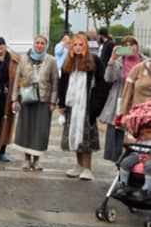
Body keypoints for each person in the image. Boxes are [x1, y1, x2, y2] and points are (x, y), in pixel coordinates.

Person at [58, 34, 108, 181]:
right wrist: (61, 104)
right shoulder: (68, 63)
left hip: (87, 106)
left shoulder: (94, 62)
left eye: (81, 44)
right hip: (72, 105)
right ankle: (78, 165)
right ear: (71, 47)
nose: (78, 47)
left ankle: (87, 168)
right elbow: (62, 84)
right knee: (74, 136)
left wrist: (97, 104)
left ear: (85, 46)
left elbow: (102, 83)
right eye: (75, 45)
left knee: (86, 137)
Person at [11, 35, 59, 171]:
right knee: (26, 128)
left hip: (43, 99)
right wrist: (15, 98)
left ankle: (37, 160)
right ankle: (26, 159)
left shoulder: (51, 61)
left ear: (46, 45)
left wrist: (53, 101)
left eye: (42, 43)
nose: (39, 45)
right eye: (37, 43)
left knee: (40, 130)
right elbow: (18, 79)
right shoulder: (24, 59)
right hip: (27, 98)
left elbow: (55, 82)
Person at [100, 35, 144, 161]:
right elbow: (108, 78)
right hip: (120, 100)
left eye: (132, 44)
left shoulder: (144, 62)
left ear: (137, 46)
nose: (129, 48)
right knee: (117, 133)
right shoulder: (119, 61)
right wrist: (112, 59)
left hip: (138, 101)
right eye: (126, 45)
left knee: (135, 133)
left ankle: (133, 161)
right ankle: (116, 161)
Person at [115, 100, 151, 200]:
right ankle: (123, 184)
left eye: (147, 133)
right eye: (142, 134)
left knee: (149, 165)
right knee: (126, 162)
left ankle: (147, 189)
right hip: (140, 155)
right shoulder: (141, 140)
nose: (143, 136)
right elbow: (137, 149)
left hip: (149, 158)